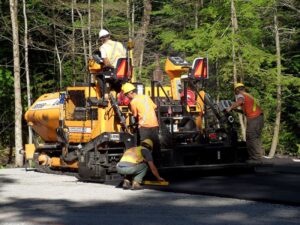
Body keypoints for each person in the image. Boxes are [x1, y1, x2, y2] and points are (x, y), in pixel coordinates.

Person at [121, 83, 161, 163]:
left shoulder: (133, 102)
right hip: (154, 123)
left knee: (144, 147)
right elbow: (154, 107)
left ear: (130, 93)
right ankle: (158, 162)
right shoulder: (146, 97)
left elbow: (135, 115)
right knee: (155, 145)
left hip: (144, 126)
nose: (127, 97)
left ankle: (145, 164)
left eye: (126, 95)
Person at [226, 83, 265, 161]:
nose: (235, 93)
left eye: (235, 91)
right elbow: (246, 109)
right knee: (254, 136)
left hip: (254, 118)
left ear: (237, 89)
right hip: (258, 117)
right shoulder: (248, 95)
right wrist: (236, 109)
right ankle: (257, 156)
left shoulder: (241, 95)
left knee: (251, 136)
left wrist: (230, 107)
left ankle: (256, 157)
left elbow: (240, 101)